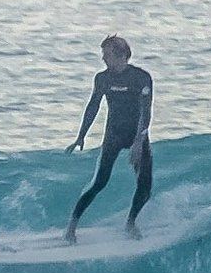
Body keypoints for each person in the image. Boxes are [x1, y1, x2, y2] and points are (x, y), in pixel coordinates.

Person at [64, 35, 153, 241]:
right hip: (114, 134)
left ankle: (130, 224)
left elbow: (145, 111)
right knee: (99, 183)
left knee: (145, 187)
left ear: (121, 55)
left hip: (136, 134)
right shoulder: (102, 78)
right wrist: (81, 136)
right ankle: (71, 228)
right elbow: (93, 106)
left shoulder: (141, 78)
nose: (103, 59)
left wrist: (139, 142)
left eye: (107, 54)